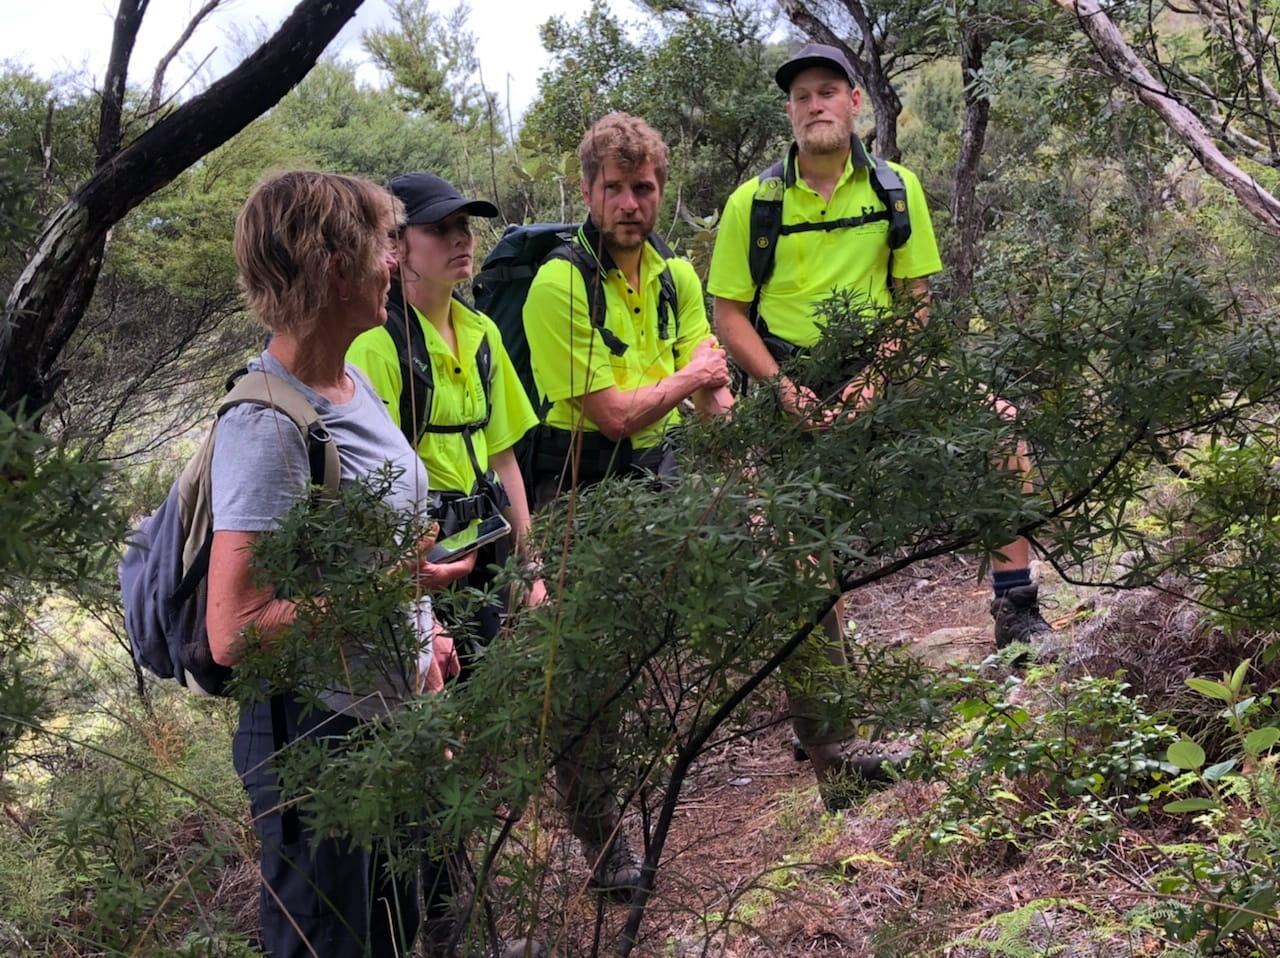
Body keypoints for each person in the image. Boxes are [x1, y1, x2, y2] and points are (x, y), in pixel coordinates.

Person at [706, 44, 1054, 801]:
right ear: (790, 112)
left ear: (856, 102)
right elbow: (727, 312)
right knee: (796, 545)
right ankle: (830, 739)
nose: (816, 105)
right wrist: (783, 387)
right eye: (802, 96)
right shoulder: (753, 205)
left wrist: (875, 380)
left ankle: (1018, 608)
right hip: (784, 378)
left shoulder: (896, 188)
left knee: (998, 428)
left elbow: (915, 300)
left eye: (829, 91)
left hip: (881, 368)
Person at [206, 170, 479, 957]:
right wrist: (388, 591)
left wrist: (420, 636)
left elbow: (369, 561)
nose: (393, 261)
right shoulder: (267, 419)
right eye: (380, 245)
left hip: (384, 716)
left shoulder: (352, 384)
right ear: (331, 264)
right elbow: (236, 630)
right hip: (315, 741)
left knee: (395, 933)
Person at [522, 112, 733, 893]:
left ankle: (833, 754)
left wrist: (737, 458)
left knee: (770, 569)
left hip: (661, 473)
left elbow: (710, 396)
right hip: (579, 487)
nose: (630, 204)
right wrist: (690, 384)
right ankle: (604, 848)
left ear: (660, 191)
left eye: (642, 188)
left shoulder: (677, 277)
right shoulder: (560, 281)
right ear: (588, 191)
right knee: (592, 675)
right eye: (613, 188)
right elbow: (611, 413)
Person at [347, 172, 545, 679]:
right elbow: (366, 495)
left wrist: (529, 567)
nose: (460, 238)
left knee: (499, 696)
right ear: (395, 245)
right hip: (424, 564)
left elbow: (502, 457)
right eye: (439, 227)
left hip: (487, 542)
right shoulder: (376, 345)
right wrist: (418, 614)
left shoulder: (482, 333)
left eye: (464, 226)